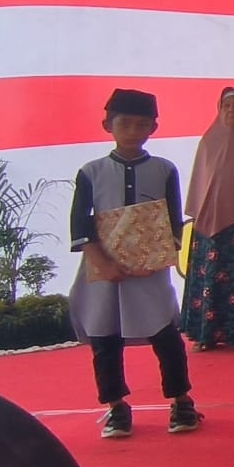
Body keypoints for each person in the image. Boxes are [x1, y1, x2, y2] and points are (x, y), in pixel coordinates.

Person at [68, 88, 200, 438]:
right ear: (108, 125)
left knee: (165, 335)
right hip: (103, 268)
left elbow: (173, 221)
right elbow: (80, 223)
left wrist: (157, 259)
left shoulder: (164, 169)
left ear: (153, 128)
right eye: (125, 124)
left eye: (142, 125)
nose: (132, 131)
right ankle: (116, 407)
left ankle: (181, 400)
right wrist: (101, 262)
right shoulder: (91, 172)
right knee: (105, 337)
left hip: (150, 269)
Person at [180, 88, 234, 351]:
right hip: (210, 223)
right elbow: (201, 182)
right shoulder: (209, 141)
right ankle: (206, 334)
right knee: (210, 278)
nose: (231, 111)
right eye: (226, 106)